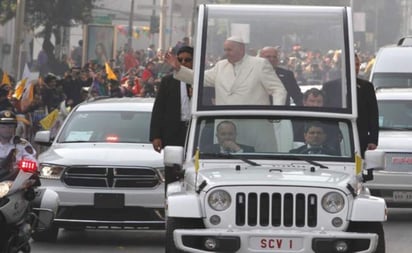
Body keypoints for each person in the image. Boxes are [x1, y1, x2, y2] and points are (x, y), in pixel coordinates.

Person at [165, 36, 287, 106]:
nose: (226, 53)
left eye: (229, 50)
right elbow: (199, 78)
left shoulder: (259, 64)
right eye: (225, 50)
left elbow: (278, 90)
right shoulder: (220, 66)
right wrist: (179, 68)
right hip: (226, 124)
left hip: (255, 122)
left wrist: (276, 113)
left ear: (241, 49)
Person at [150, 46, 194, 189]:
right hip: (173, 132)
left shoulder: (200, 80)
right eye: (180, 60)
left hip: (194, 131)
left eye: (187, 60)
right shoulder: (168, 81)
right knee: (173, 171)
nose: (183, 63)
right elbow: (159, 109)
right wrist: (156, 135)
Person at [355, 53, 379, 157]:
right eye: (353, 64)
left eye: (357, 64)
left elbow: (373, 114)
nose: (355, 68)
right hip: (337, 139)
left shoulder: (366, 87)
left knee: (360, 166)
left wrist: (373, 140)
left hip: (361, 139)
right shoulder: (331, 87)